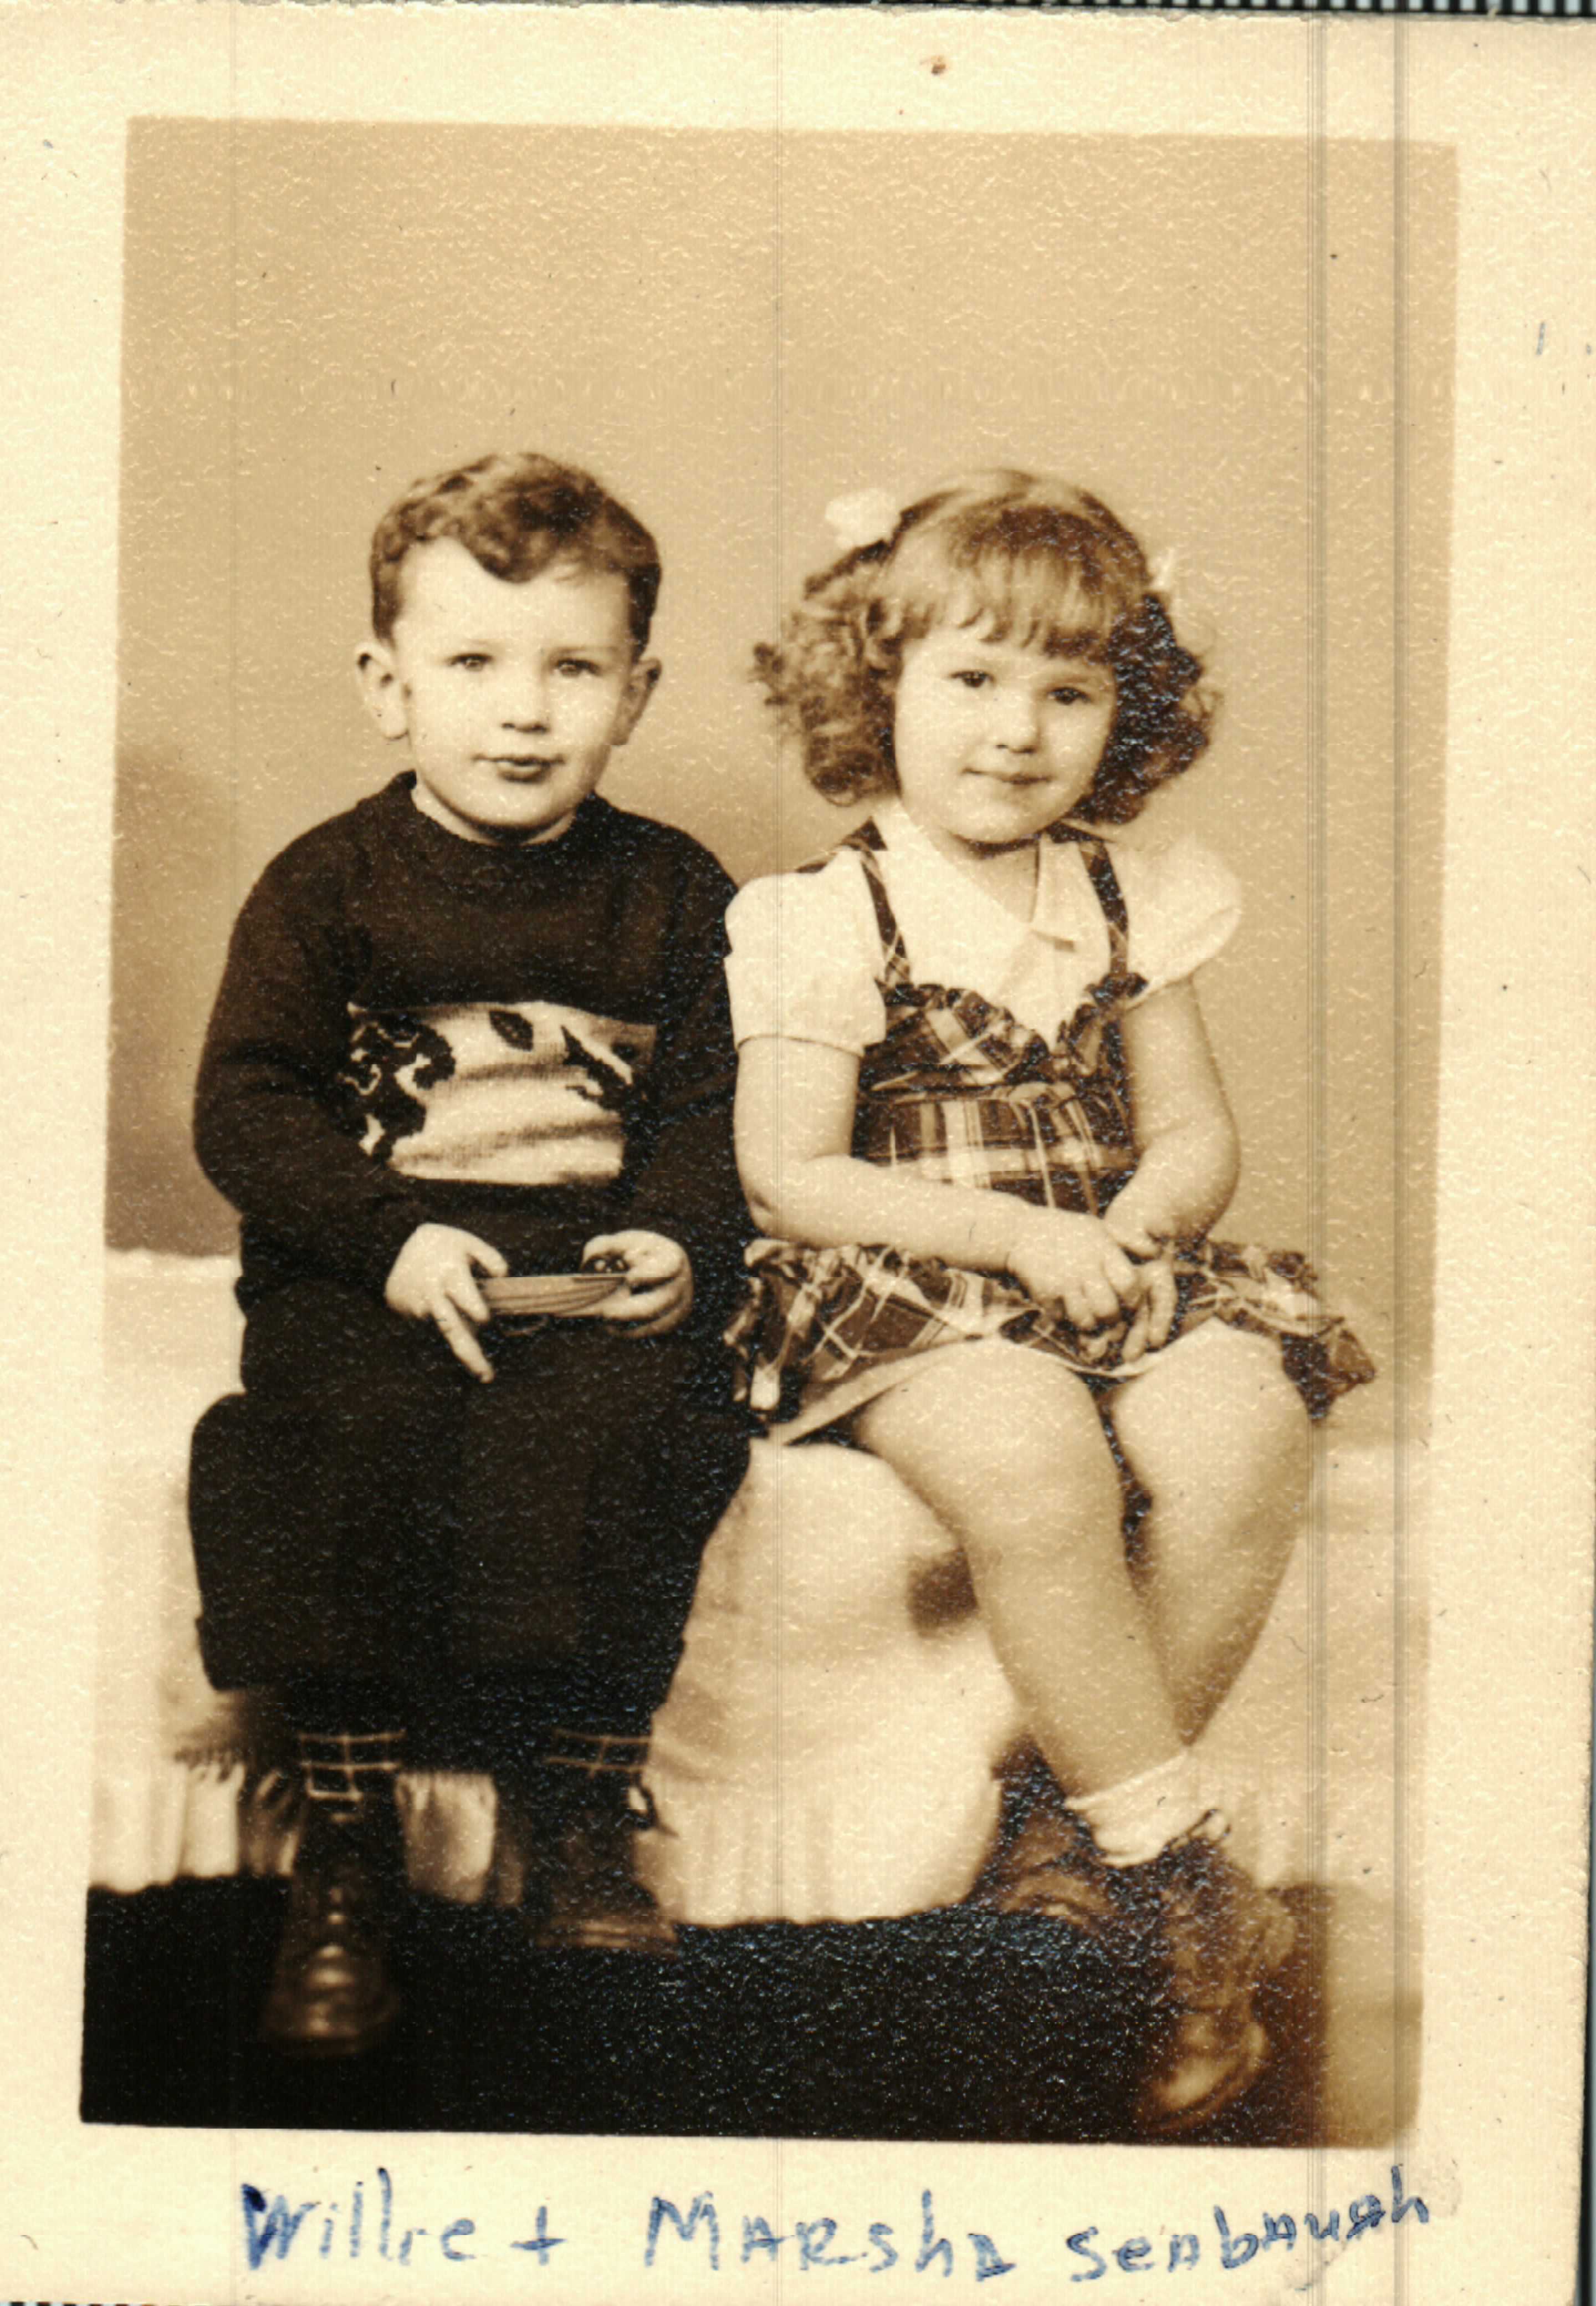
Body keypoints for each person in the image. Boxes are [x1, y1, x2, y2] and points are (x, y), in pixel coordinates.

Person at [725, 471, 1374, 2135]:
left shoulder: (1130, 898)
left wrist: (1144, 1225)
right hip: (909, 1283)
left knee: (1245, 1428)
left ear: (1123, 713)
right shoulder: (825, 915)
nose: (1017, 732)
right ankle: (1181, 1883)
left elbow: (1195, 1133)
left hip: (1107, 1263)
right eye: (973, 678)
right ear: (878, 682)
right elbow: (790, 1174)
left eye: (1069, 692)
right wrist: (1015, 1244)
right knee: (1033, 1459)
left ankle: (1068, 1846)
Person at [187, 452, 751, 2054]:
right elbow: (247, 1104)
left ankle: (577, 1809)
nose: (523, 711)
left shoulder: (678, 894)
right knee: (322, 1433)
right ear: (389, 686)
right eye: (474, 662)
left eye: (573, 669)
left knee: (659, 1423)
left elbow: (718, 1106)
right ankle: (348, 1834)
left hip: (582, 1275)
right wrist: (382, 1239)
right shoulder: (326, 884)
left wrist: (678, 1240)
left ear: (637, 692)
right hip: (379, 1272)